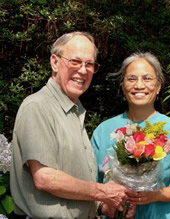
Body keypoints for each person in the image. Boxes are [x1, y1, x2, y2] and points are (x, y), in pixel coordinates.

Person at [10, 32, 137, 219]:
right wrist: (103, 192)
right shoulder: (37, 106)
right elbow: (45, 177)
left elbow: (74, 185)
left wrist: (102, 206)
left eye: (90, 64)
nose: (83, 70)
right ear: (54, 62)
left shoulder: (74, 111)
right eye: (75, 61)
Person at [91, 52, 170, 219]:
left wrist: (154, 195)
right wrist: (104, 205)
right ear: (123, 87)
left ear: (158, 87)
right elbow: (89, 184)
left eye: (147, 79)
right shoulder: (104, 131)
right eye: (132, 79)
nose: (139, 85)